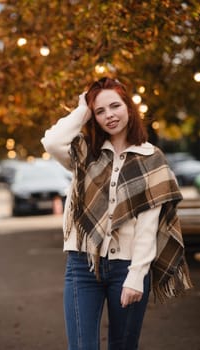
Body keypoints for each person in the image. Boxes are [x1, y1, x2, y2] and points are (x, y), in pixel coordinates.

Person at [41, 77, 192, 350]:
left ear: (129, 107)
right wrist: (82, 109)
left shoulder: (151, 158)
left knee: (123, 346)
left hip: (127, 266)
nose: (109, 115)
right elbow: (51, 141)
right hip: (82, 264)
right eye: (100, 111)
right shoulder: (85, 152)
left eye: (115, 106)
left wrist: (136, 276)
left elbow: (148, 226)